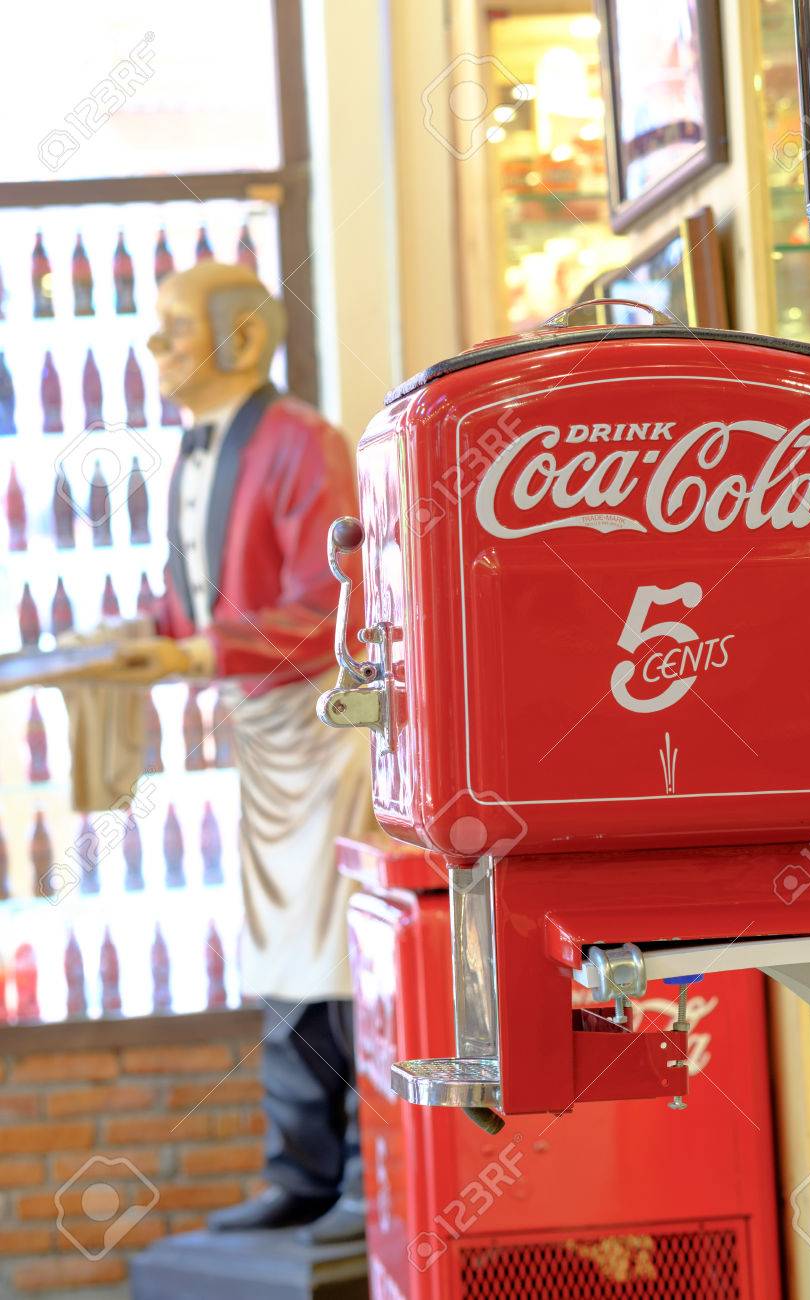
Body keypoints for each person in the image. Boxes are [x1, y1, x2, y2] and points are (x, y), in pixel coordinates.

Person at [104, 261, 370, 1242]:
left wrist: (194, 647)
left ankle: (352, 1175)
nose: (154, 348)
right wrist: (138, 636)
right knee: (281, 946)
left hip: (323, 728)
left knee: (334, 946)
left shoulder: (305, 443)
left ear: (245, 340)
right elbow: (199, 599)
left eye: (171, 329)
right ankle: (303, 1169)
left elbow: (331, 604)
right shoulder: (194, 451)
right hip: (260, 733)